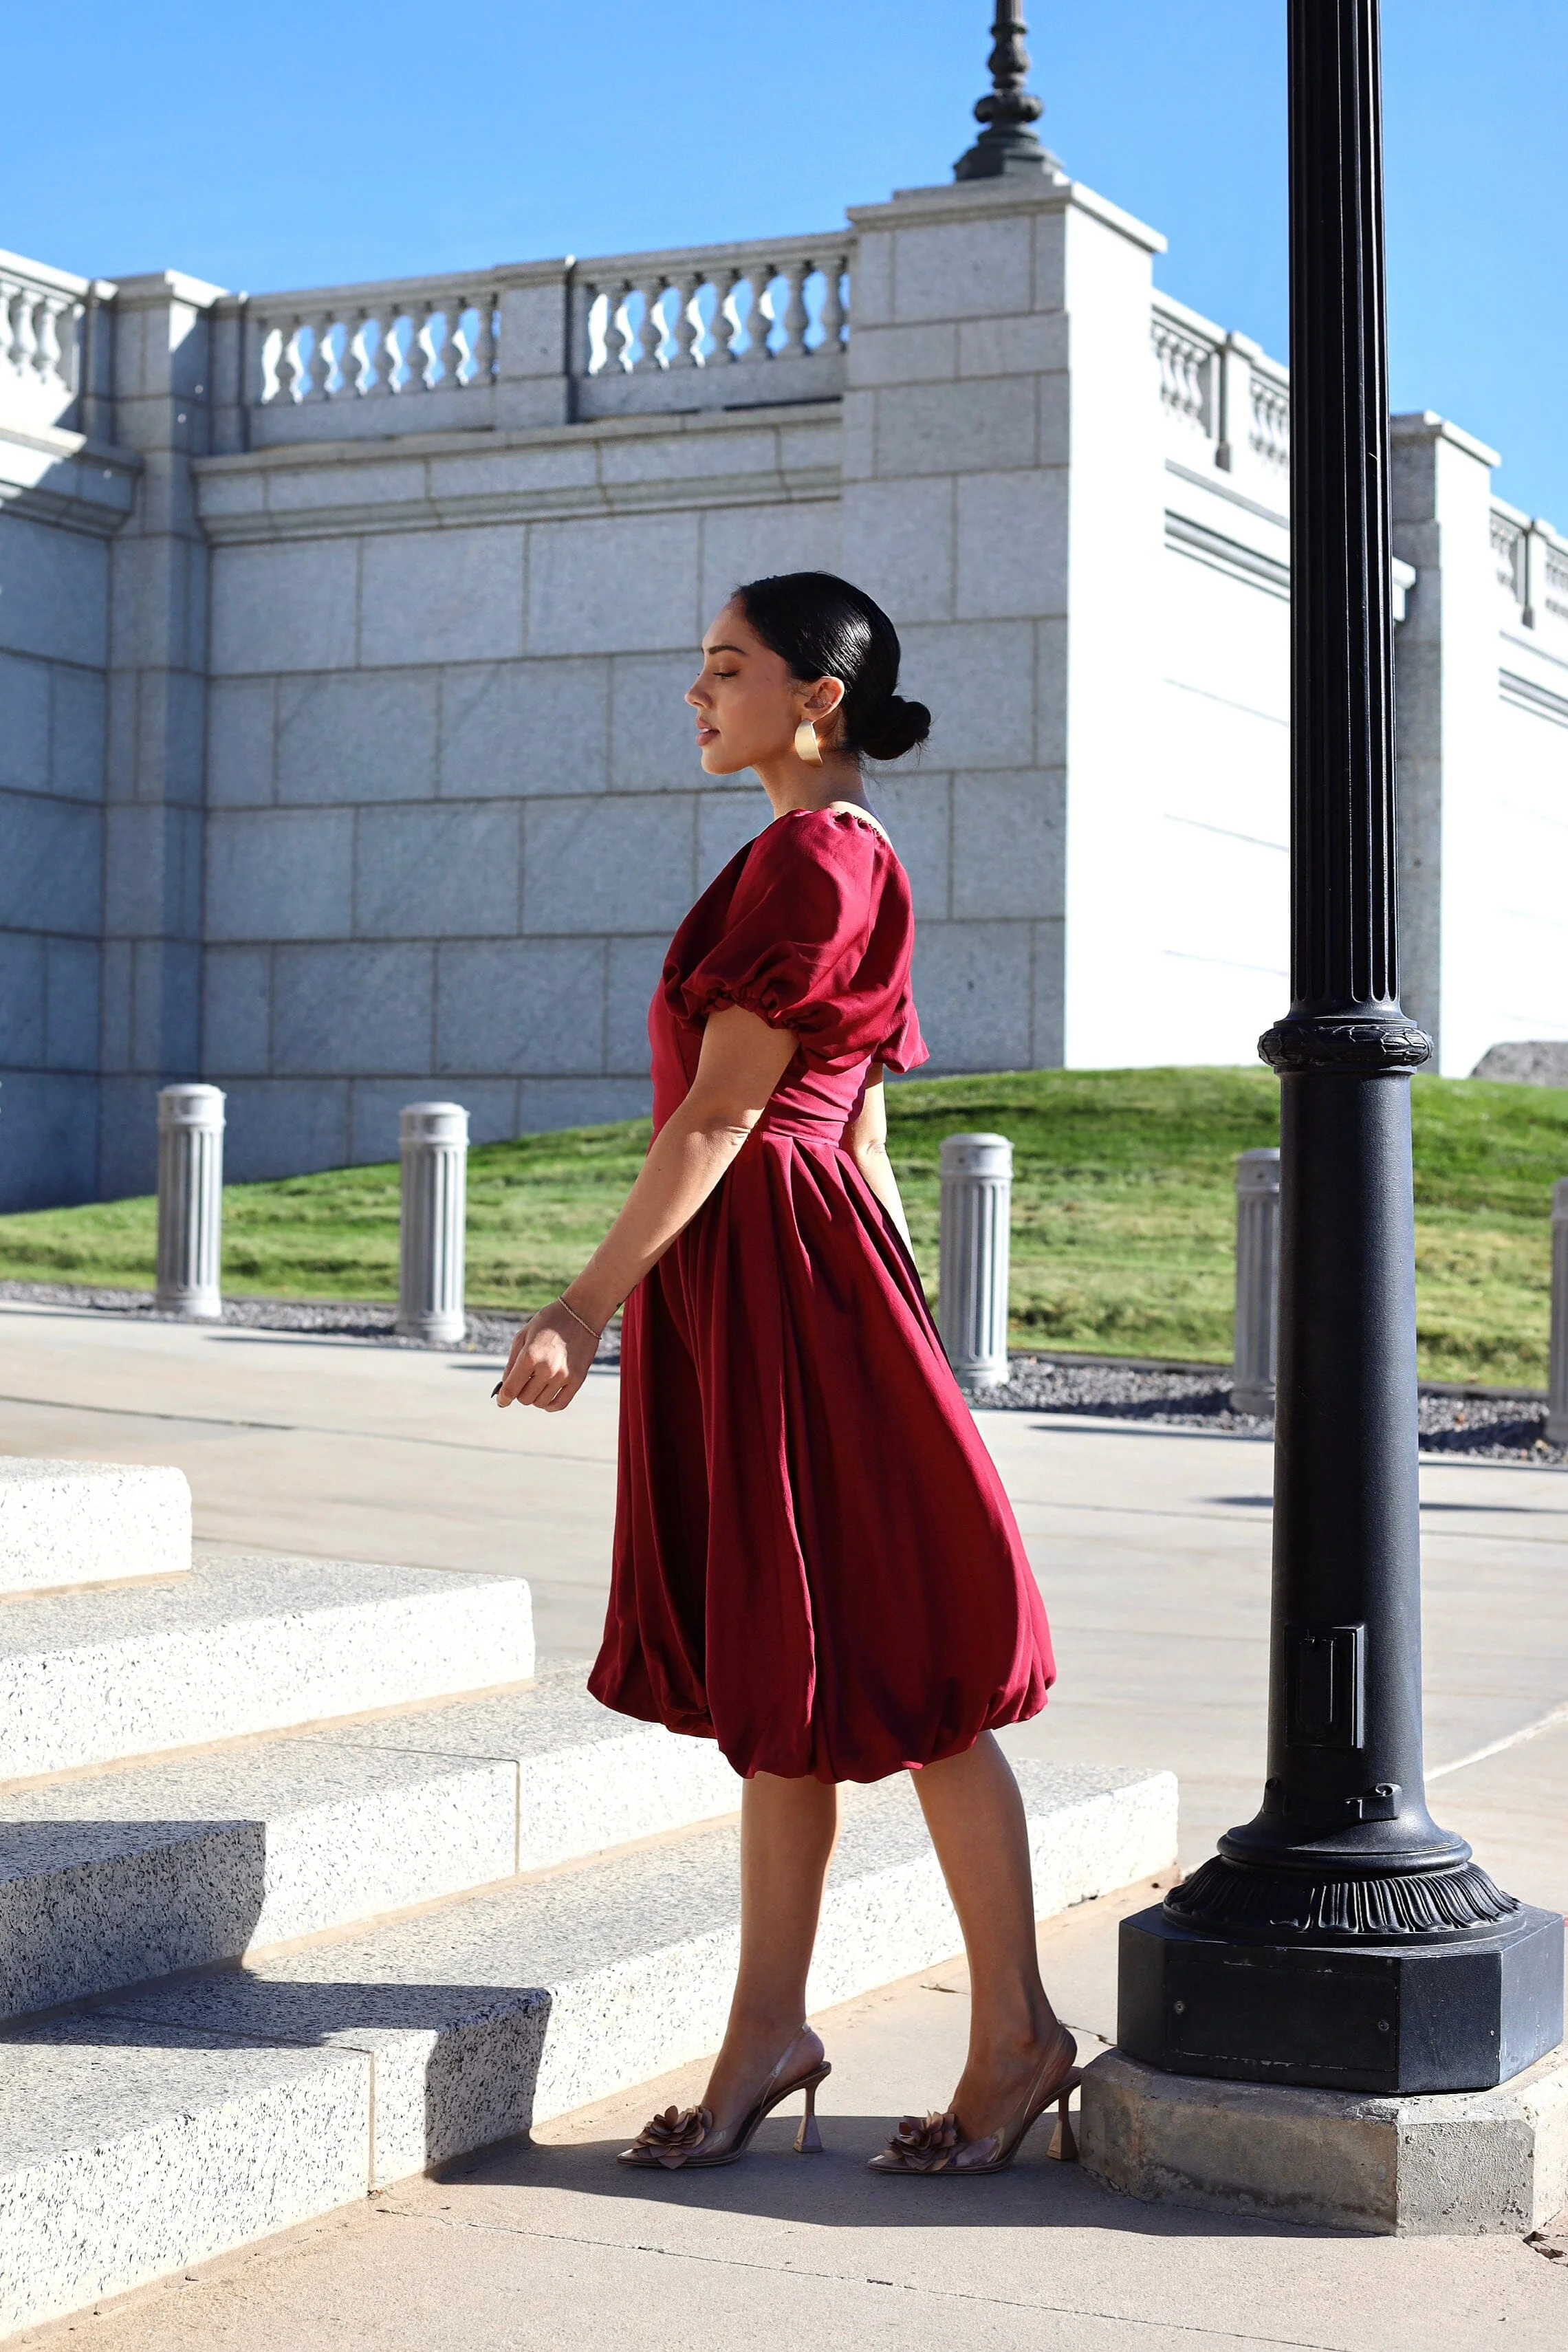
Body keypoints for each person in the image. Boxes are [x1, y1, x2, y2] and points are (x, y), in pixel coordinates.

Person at [497, 571, 1074, 2177]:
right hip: (798, 1287)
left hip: (787, 1283)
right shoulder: (832, 853)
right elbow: (866, 1129)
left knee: (909, 1663)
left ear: (817, 696)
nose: (697, 694)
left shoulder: (817, 858)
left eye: (726, 666)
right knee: (793, 1669)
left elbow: (728, 1112)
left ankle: (1017, 2036)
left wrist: (585, 1306)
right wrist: (908, 1340)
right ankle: (770, 2029)